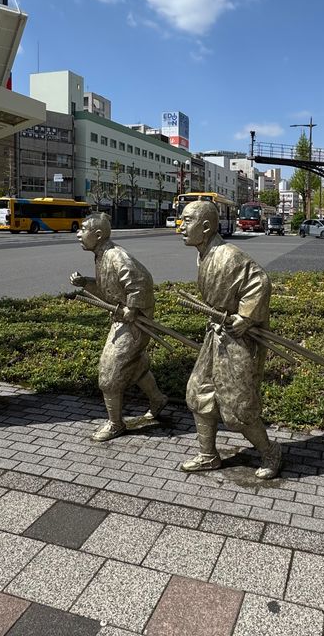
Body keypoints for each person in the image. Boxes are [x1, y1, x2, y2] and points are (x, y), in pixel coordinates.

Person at [179, 200, 282, 480]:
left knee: (238, 408)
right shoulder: (204, 254)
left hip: (237, 337)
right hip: (217, 334)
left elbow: (260, 281)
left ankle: (271, 451)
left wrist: (246, 317)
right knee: (198, 391)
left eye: (187, 221)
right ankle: (208, 455)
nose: (181, 227)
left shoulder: (228, 255)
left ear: (206, 226)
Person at [70, 213, 167, 441]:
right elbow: (108, 292)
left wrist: (132, 309)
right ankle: (157, 398)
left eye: (83, 229)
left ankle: (115, 424)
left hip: (135, 322)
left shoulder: (115, 255)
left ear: (98, 235)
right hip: (123, 319)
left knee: (109, 373)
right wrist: (85, 283)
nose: (78, 233)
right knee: (134, 364)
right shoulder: (100, 256)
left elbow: (141, 282)